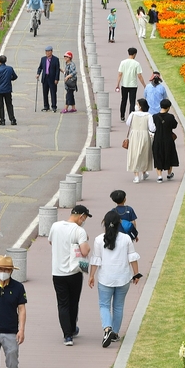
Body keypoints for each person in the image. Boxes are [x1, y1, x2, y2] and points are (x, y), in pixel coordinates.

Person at [88, 210, 141, 348]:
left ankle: (107, 329)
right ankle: (115, 333)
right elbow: (132, 258)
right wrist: (136, 274)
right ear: (119, 224)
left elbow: (96, 260)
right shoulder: (126, 238)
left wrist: (91, 275)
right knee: (118, 306)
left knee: (104, 305)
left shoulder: (99, 239)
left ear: (104, 223)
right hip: (123, 277)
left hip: (105, 278)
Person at [49, 204, 91, 346]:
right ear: (81, 216)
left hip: (57, 272)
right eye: (84, 218)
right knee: (73, 302)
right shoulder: (80, 231)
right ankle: (72, 328)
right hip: (74, 272)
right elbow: (85, 252)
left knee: (62, 303)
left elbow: (50, 241)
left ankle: (67, 336)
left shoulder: (55, 226)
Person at [124, 99, 155, 184]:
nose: (136, 105)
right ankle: (144, 172)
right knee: (144, 154)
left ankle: (136, 176)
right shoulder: (149, 115)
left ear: (140, 106)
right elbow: (152, 128)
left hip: (134, 135)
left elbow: (128, 123)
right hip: (145, 135)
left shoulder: (133, 114)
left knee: (134, 154)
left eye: (137, 104)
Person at [151, 99, 181, 182]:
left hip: (157, 139)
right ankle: (169, 173)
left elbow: (152, 128)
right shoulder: (170, 117)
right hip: (168, 139)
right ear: (168, 107)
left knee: (158, 156)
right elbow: (174, 125)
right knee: (169, 155)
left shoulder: (154, 117)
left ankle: (159, 176)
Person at [116, 48, 146, 122]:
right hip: (133, 85)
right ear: (135, 54)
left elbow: (120, 74)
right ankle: (130, 116)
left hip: (124, 84)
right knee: (132, 101)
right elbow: (139, 76)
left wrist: (117, 84)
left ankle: (122, 116)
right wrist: (144, 85)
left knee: (123, 100)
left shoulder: (123, 62)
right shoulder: (136, 63)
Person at [36, 45, 60, 112]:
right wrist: (38, 74)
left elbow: (57, 70)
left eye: (48, 51)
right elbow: (40, 67)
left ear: (51, 51)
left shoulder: (56, 59)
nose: (47, 53)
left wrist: (56, 79)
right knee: (45, 93)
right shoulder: (43, 59)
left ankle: (54, 106)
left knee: (53, 93)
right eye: (46, 51)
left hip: (52, 78)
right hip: (45, 78)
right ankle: (46, 106)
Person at [0, 54, 18, 126]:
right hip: (8, 89)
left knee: (1, 105)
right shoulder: (10, 68)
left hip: (0, 90)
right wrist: (9, 79)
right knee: (9, 104)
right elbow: (15, 77)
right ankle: (12, 119)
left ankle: (2, 120)